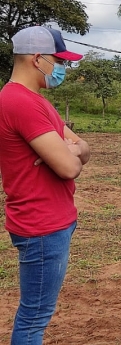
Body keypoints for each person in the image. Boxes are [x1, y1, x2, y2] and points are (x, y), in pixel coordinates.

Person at [0, 26, 90, 345]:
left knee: (37, 313)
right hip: (41, 226)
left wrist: (69, 149)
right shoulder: (21, 102)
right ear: (38, 59)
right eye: (58, 60)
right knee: (34, 316)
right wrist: (68, 152)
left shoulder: (38, 102)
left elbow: (84, 149)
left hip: (52, 222)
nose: (62, 68)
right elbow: (69, 168)